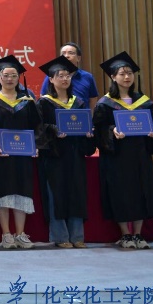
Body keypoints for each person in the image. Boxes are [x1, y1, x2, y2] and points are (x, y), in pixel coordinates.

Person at [92, 51, 153, 249]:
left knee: (141, 190)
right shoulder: (105, 104)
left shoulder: (143, 101)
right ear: (113, 77)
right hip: (117, 157)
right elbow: (98, 129)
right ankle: (125, 235)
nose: (126, 77)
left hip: (140, 154)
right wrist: (112, 131)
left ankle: (138, 234)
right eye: (122, 73)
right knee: (120, 192)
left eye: (129, 73)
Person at [0, 55, 43, 250]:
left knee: (22, 192)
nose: (10, 79)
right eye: (6, 75)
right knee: (3, 193)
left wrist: (35, 145)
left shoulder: (27, 101)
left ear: (18, 77)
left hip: (23, 155)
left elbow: (37, 127)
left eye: (14, 75)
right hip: (1, 156)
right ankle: (6, 234)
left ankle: (20, 234)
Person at [35, 55, 96, 249]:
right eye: (60, 76)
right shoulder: (44, 103)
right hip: (54, 156)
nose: (64, 79)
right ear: (51, 79)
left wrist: (88, 133)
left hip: (75, 154)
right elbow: (38, 129)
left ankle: (77, 236)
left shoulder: (78, 102)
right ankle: (60, 236)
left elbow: (85, 124)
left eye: (67, 75)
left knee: (77, 193)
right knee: (56, 195)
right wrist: (53, 130)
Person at [40, 43, 100, 109]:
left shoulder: (87, 77)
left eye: (71, 53)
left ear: (78, 58)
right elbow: (43, 96)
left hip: (81, 113)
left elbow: (93, 99)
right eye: (63, 53)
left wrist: (90, 114)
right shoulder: (51, 76)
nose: (66, 56)